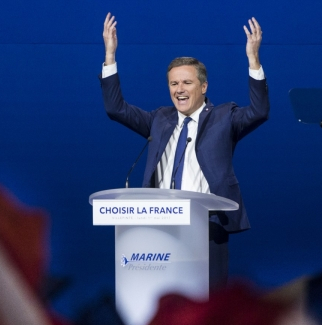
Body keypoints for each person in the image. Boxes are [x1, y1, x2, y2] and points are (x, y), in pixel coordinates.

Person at [100, 13, 269, 290]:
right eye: (173, 83)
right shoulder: (160, 119)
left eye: (187, 83)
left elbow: (259, 111)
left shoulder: (225, 117)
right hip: (160, 227)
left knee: (208, 306)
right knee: (165, 305)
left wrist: (253, 61)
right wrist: (110, 56)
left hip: (207, 226)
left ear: (203, 87)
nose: (179, 90)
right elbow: (115, 109)